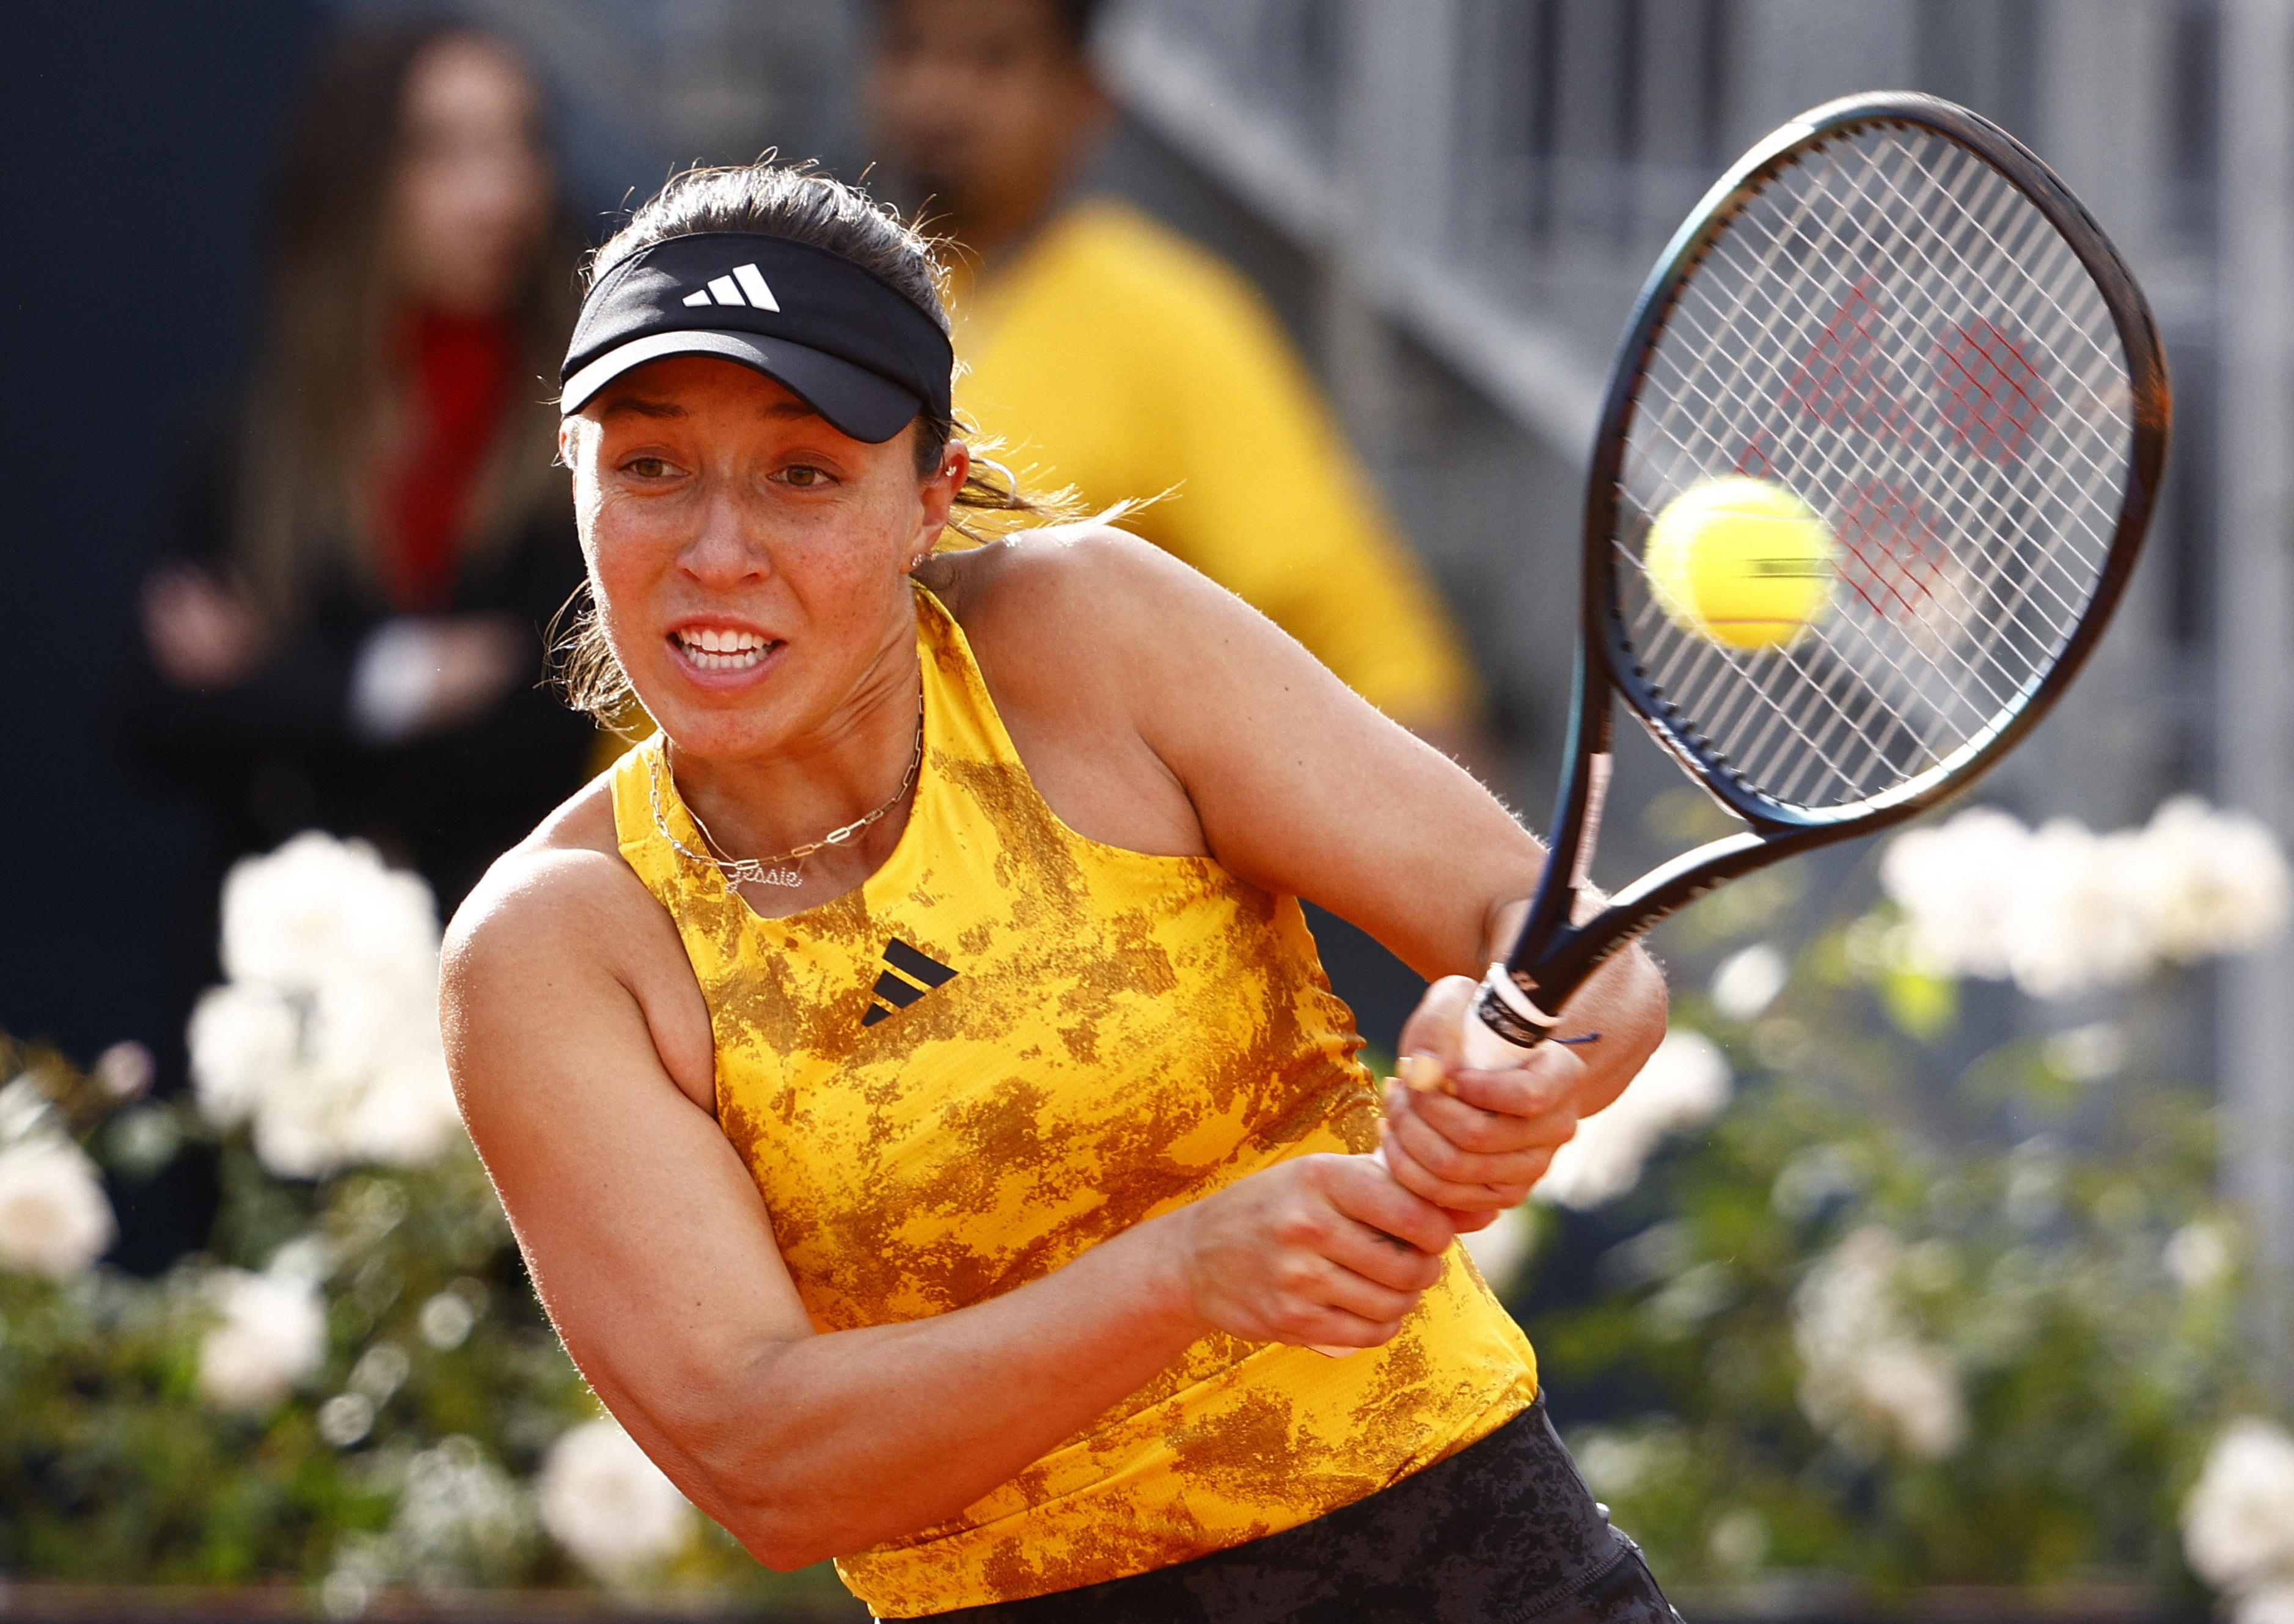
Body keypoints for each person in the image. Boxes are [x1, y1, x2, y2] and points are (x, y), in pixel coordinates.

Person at [443, 160, 1674, 1622]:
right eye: (651, 466)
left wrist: (1526, 1059)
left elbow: (1576, 957)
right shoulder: (552, 948)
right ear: (573, 474)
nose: (718, 551)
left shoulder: (1093, 632)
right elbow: (767, 1459)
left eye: (803, 472)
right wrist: (1185, 1273)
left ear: (931, 493)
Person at [863, 0, 1488, 762]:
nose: (938, 93)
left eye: (993, 59)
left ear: (1086, 98)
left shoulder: (1169, 315)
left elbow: (1352, 626)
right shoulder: (824, 303)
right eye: (910, 48)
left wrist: (1473, 865)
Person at [126, 17, 596, 916]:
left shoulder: (584, 437)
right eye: (443, 150)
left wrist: (274, 681)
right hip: (270, 988)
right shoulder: (248, 441)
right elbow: (153, 718)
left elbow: (534, 736)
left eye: (520, 143)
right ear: (358, 174)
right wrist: (400, 681)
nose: (498, 193)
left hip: (506, 964)